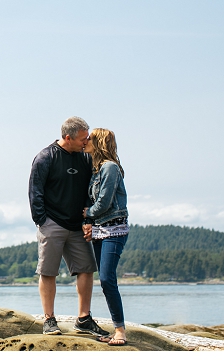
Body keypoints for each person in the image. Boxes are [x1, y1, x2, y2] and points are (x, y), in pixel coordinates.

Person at [28, 116, 110, 337]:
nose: (86, 142)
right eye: (83, 138)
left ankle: (83, 319)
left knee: (86, 269)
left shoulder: (84, 158)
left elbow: (90, 191)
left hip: (78, 225)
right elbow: (35, 191)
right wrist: (41, 220)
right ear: (67, 137)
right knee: (48, 272)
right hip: (51, 223)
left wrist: (88, 221)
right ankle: (49, 320)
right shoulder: (46, 157)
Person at [82, 128, 129, 346]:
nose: (85, 141)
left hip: (114, 231)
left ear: (99, 142)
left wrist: (87, 214)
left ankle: (120, 331)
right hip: (101, 230)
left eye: (89, 139)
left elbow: (104, 202)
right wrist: (89, 223)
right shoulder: (95, 170)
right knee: (105, 280)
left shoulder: (110, 168)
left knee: (107, 279)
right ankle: (117, 328)